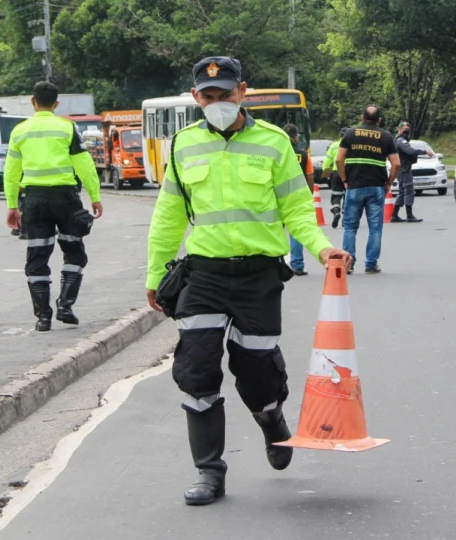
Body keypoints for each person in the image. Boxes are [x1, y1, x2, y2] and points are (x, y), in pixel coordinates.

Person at [145, 56, 350, 507]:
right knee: (197, 372)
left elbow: (297, 208)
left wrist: (322, 248)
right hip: (204, 275)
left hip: (258, 275)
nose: (216, 103)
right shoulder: (181, 145)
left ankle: (270, 416)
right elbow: (169, 214)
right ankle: (209, 472)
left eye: (225, 94)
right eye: (208, 96)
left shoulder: (275, 143)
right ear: (196, 97)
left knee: (256, 370)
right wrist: (155, 271)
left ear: (243, 92)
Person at [3, 81, 103, 332]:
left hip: (34, 200)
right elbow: (84, 164)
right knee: (74, 252)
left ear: (32, 101)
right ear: (56, 104)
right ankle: (65, 306)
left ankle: (43, 317)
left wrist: (12, 205)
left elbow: (11, 172)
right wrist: (95, 195)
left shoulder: (20, 131)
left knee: (37, 256)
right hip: (66, 199)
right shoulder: (67, 128)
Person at [336, 105, 401, 274]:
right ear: (379, 120)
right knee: (375, 228)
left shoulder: (350, 134)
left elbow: (338, 160)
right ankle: (371, 264)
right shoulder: (386, 137)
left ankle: (348, 264)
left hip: (354, 186)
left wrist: (344, 180)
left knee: (350, 227)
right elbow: (396, 164)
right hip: (376, 187)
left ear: (362, 117)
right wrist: (388, 183)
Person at [284, 123, 315, 276]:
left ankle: (276, 265)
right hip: (296, 197)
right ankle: (297, 265)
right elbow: (310, 177)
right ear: (296, 138)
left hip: (276, 197)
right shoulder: (303, 154)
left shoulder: (277, 153)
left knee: (275, 231)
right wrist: (309, 194)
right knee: (296, 231)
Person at [391, 121, 433, 223]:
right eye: (404, 129)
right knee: (409, 191)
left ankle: (394, 215)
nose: (406, 132)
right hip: (404, 169)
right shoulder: (401, 141)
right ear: (399, 129)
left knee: (401, 192)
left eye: (407, 130)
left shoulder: (399, 140)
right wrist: (425, 152)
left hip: (402, 169)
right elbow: (411, 152)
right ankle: (409, 215)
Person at [322, 127, 348, 228]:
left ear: (340, 135)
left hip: (336, 173)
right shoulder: (352, 146)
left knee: (336, 195)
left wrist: (326, 176)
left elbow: (327, 163)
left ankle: (336, 211)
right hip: (348, 173)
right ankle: (345, 219)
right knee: (347, 195)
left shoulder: (333, 146)